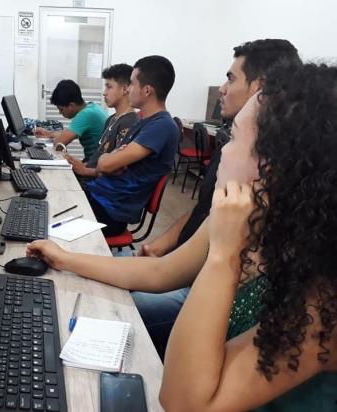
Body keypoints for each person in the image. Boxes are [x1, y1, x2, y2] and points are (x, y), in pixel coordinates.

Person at [160, 62, 337, 411]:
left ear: (278, 166)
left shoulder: (325, 300)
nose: (221, 151)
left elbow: (181, 403)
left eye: (234, 139)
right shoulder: (284, 235)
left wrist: (223, 256)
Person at [132, 39, 301, 358]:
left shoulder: (272, 184)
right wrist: (164, 242)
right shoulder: (235, 159)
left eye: (231, 78)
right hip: (190, 266)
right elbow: (202, 209)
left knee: (116, 304)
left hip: (205, 284)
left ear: (261, 88)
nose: (223, 88)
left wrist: (219, 258)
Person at [81, 55, 178, 236]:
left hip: (110, 212)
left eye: (132, 84)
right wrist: (112, 160)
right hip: (98, 197)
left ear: (147, 90)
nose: (128, 89)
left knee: (48, 217)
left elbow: (105, 164)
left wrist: (110, 160)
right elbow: (110, 163)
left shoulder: (162, 126)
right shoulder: (142, 121)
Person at [65, 64, 139, 180]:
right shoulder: (112, 119)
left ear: (125, 89)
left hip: (97, 185)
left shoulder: (128, 123)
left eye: (109, 87)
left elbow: (119, 169)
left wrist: (86, 171)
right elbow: (99, 156)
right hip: (90, 175)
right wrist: (80, 165)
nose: (104, 92)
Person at [33, 79, 107, 162]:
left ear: (71, 105)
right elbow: (68, 133)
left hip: (93, 167)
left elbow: (59, 143)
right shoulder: (93, 107)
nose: (60, 113)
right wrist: (48, 134)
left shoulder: (86, 115)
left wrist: (56, 138)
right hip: (97, 162)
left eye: (61, 109)